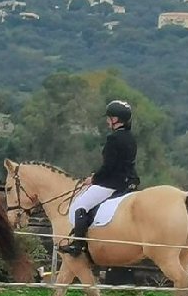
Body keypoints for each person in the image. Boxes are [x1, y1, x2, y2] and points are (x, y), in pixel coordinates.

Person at [59, 100, 139, 257]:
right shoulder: (131, 138)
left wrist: (94, 178)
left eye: (109, 118)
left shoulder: (113, 138)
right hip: (129, 182)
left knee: (79, 206)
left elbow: (109, 167)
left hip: (111, 184)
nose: (107, 121)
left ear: (115, 119)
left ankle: (77, 246)